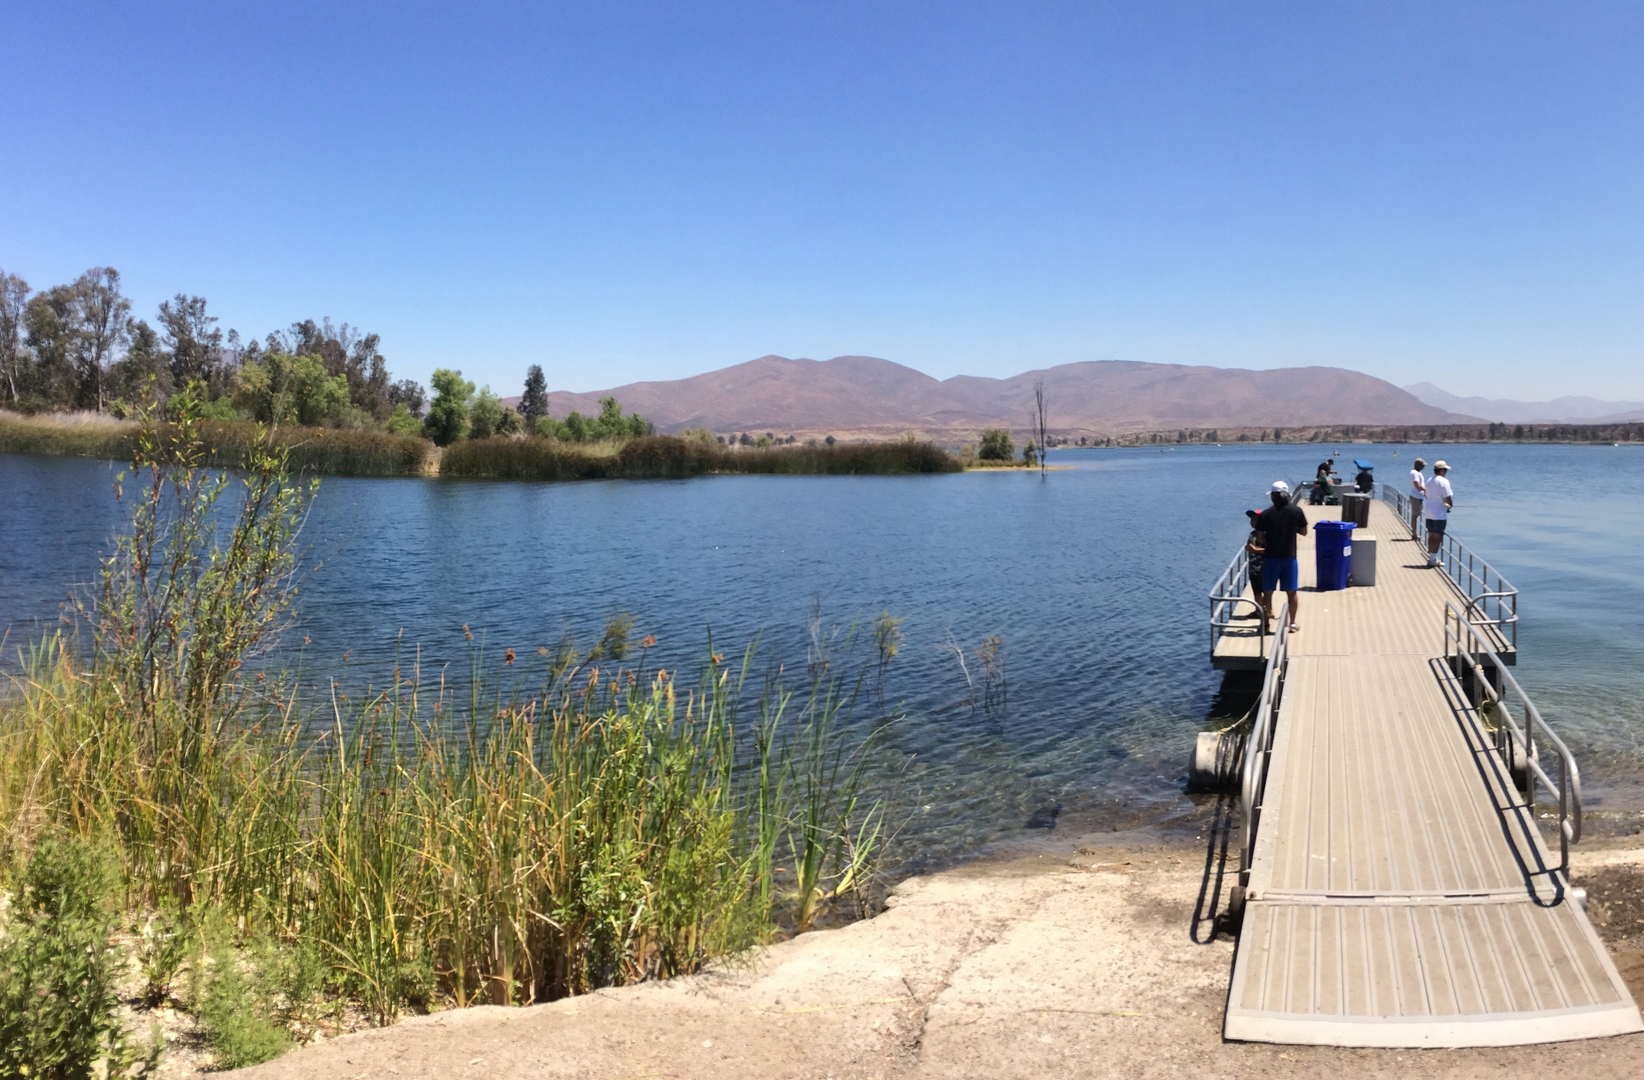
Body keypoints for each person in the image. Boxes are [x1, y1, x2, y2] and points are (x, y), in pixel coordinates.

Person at [1256, 481, 1309, 633]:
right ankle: (1292, 623)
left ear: (1273, 496)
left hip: (1270, 558)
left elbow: (1259, 537)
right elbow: (1304, 531)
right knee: (1291, 592)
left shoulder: (1266, 514)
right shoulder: (1296, 511)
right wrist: (1291, 529)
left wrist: (1268, 537)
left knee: (1267, 592)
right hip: (1289, 557)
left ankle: (1266, 624)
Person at [1423, 460, 1454, 566]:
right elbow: (1448, 499)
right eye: (1445, 470)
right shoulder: (1444, 481)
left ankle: (1431, 557)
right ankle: (1432, 560)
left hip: (1428, 512)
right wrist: (1449, 506)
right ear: (1440, 470)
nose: (1445, 472)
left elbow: (1426, 495)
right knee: (1438, 536)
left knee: (1431, 535)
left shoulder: (1428, 480)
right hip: (1439, 514)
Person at [1244, 509, 1267, 630]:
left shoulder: (1267, 533)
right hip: (1253, 567)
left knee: (1265, 591)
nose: (1253, 522)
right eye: (1252, 520)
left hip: (1264, 567)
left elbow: (1272, 550)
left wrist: (1255, 550)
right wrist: (1248, 548)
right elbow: (1250, 546)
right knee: (1256, 591)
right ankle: (1258, 610)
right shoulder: (1252, 533)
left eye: (1256, 520)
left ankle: (1266, 612)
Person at [1407, 457, 1427, 537]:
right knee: (1415, 515)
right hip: (1416, 497)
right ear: (1419, 465)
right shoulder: (1415, 473)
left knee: (1416, 514)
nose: (1423, 467)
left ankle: (1414, 532)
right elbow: (1417, 485)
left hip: (1418, 497)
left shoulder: (1417, 472)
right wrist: (1426, 490)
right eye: (1422, 465)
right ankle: (1414, 533)